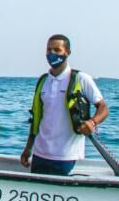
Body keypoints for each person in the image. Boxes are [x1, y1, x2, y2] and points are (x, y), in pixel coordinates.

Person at [20, 34, 109, 176]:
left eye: (57, 50)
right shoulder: (43, 81)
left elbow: (103, 107)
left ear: (67, 52)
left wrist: (92, 122)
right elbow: (37, 117)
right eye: (49, 50)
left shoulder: (80, 79)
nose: (52, 54)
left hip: (66, 156)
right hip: (40, 154)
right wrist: (28, 148)